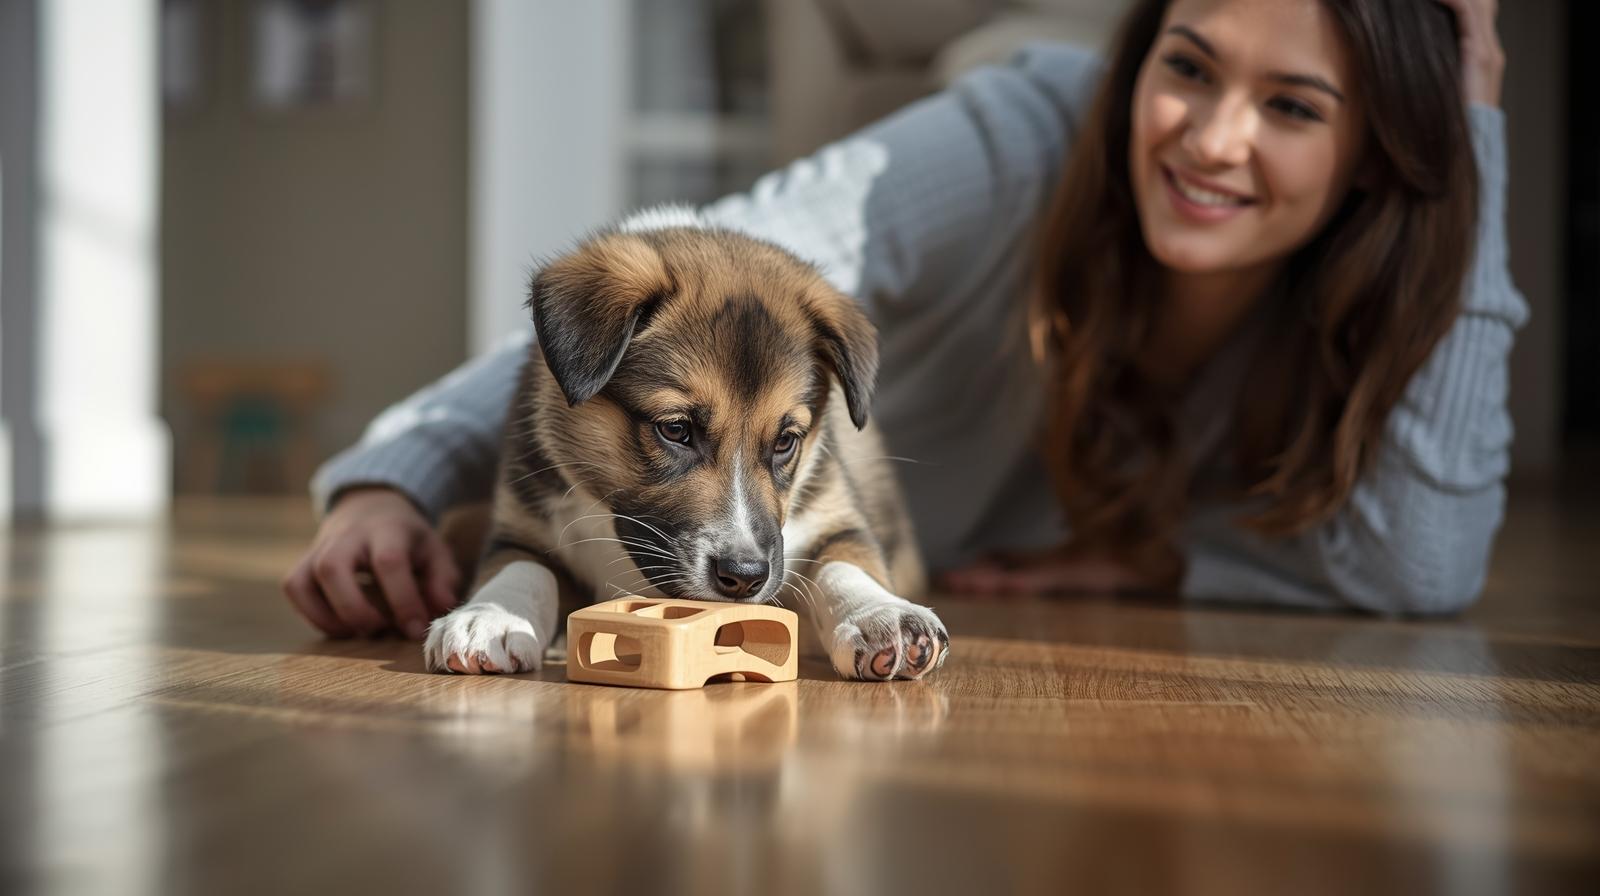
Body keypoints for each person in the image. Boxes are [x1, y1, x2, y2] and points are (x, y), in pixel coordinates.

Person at [283, 0, 1520, 641]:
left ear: (1376, 154)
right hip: (766, 560)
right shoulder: (1018, 133)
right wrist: (391, 477)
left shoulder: (1353, 293)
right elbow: (713, 262)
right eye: (1187, 65)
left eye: (1294, 107)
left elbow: (1417, 564)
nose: (1210, 139)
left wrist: (1469, 144)